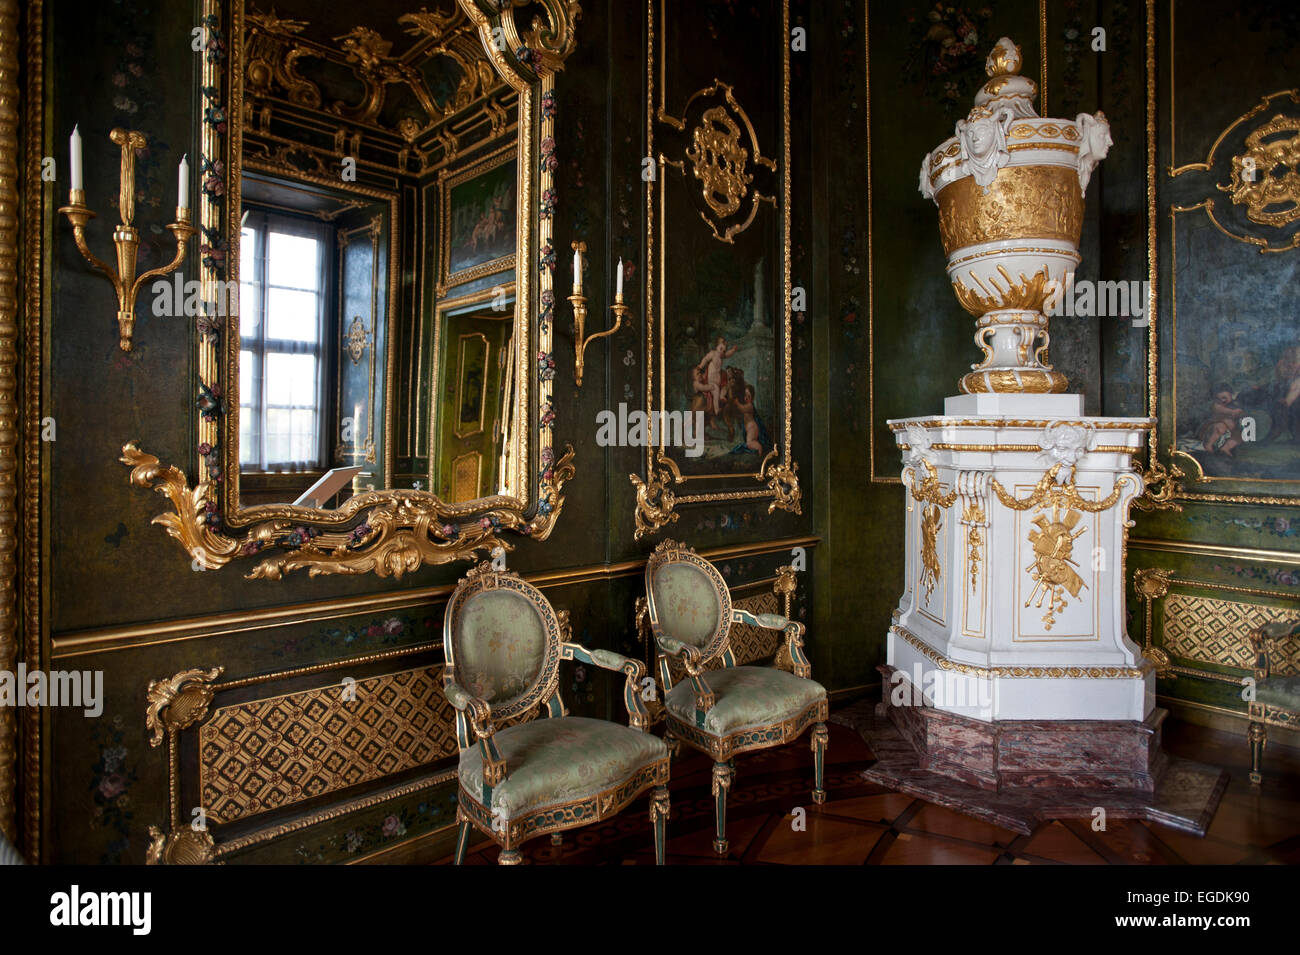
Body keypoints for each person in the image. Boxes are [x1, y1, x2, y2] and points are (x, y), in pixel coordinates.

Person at [1198, 385, 1246, 457]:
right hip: (1212, 428)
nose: (1222, 400)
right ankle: (1208, 445)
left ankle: (1226, 447)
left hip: (1231, 431)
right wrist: (1232, 412)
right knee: (1220, 427)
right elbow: (1220, 410)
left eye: (1224, 397)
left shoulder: (1235, 405)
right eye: (1218, 398)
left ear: (1231, 395)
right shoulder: (1217, 405)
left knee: (1240, 436)